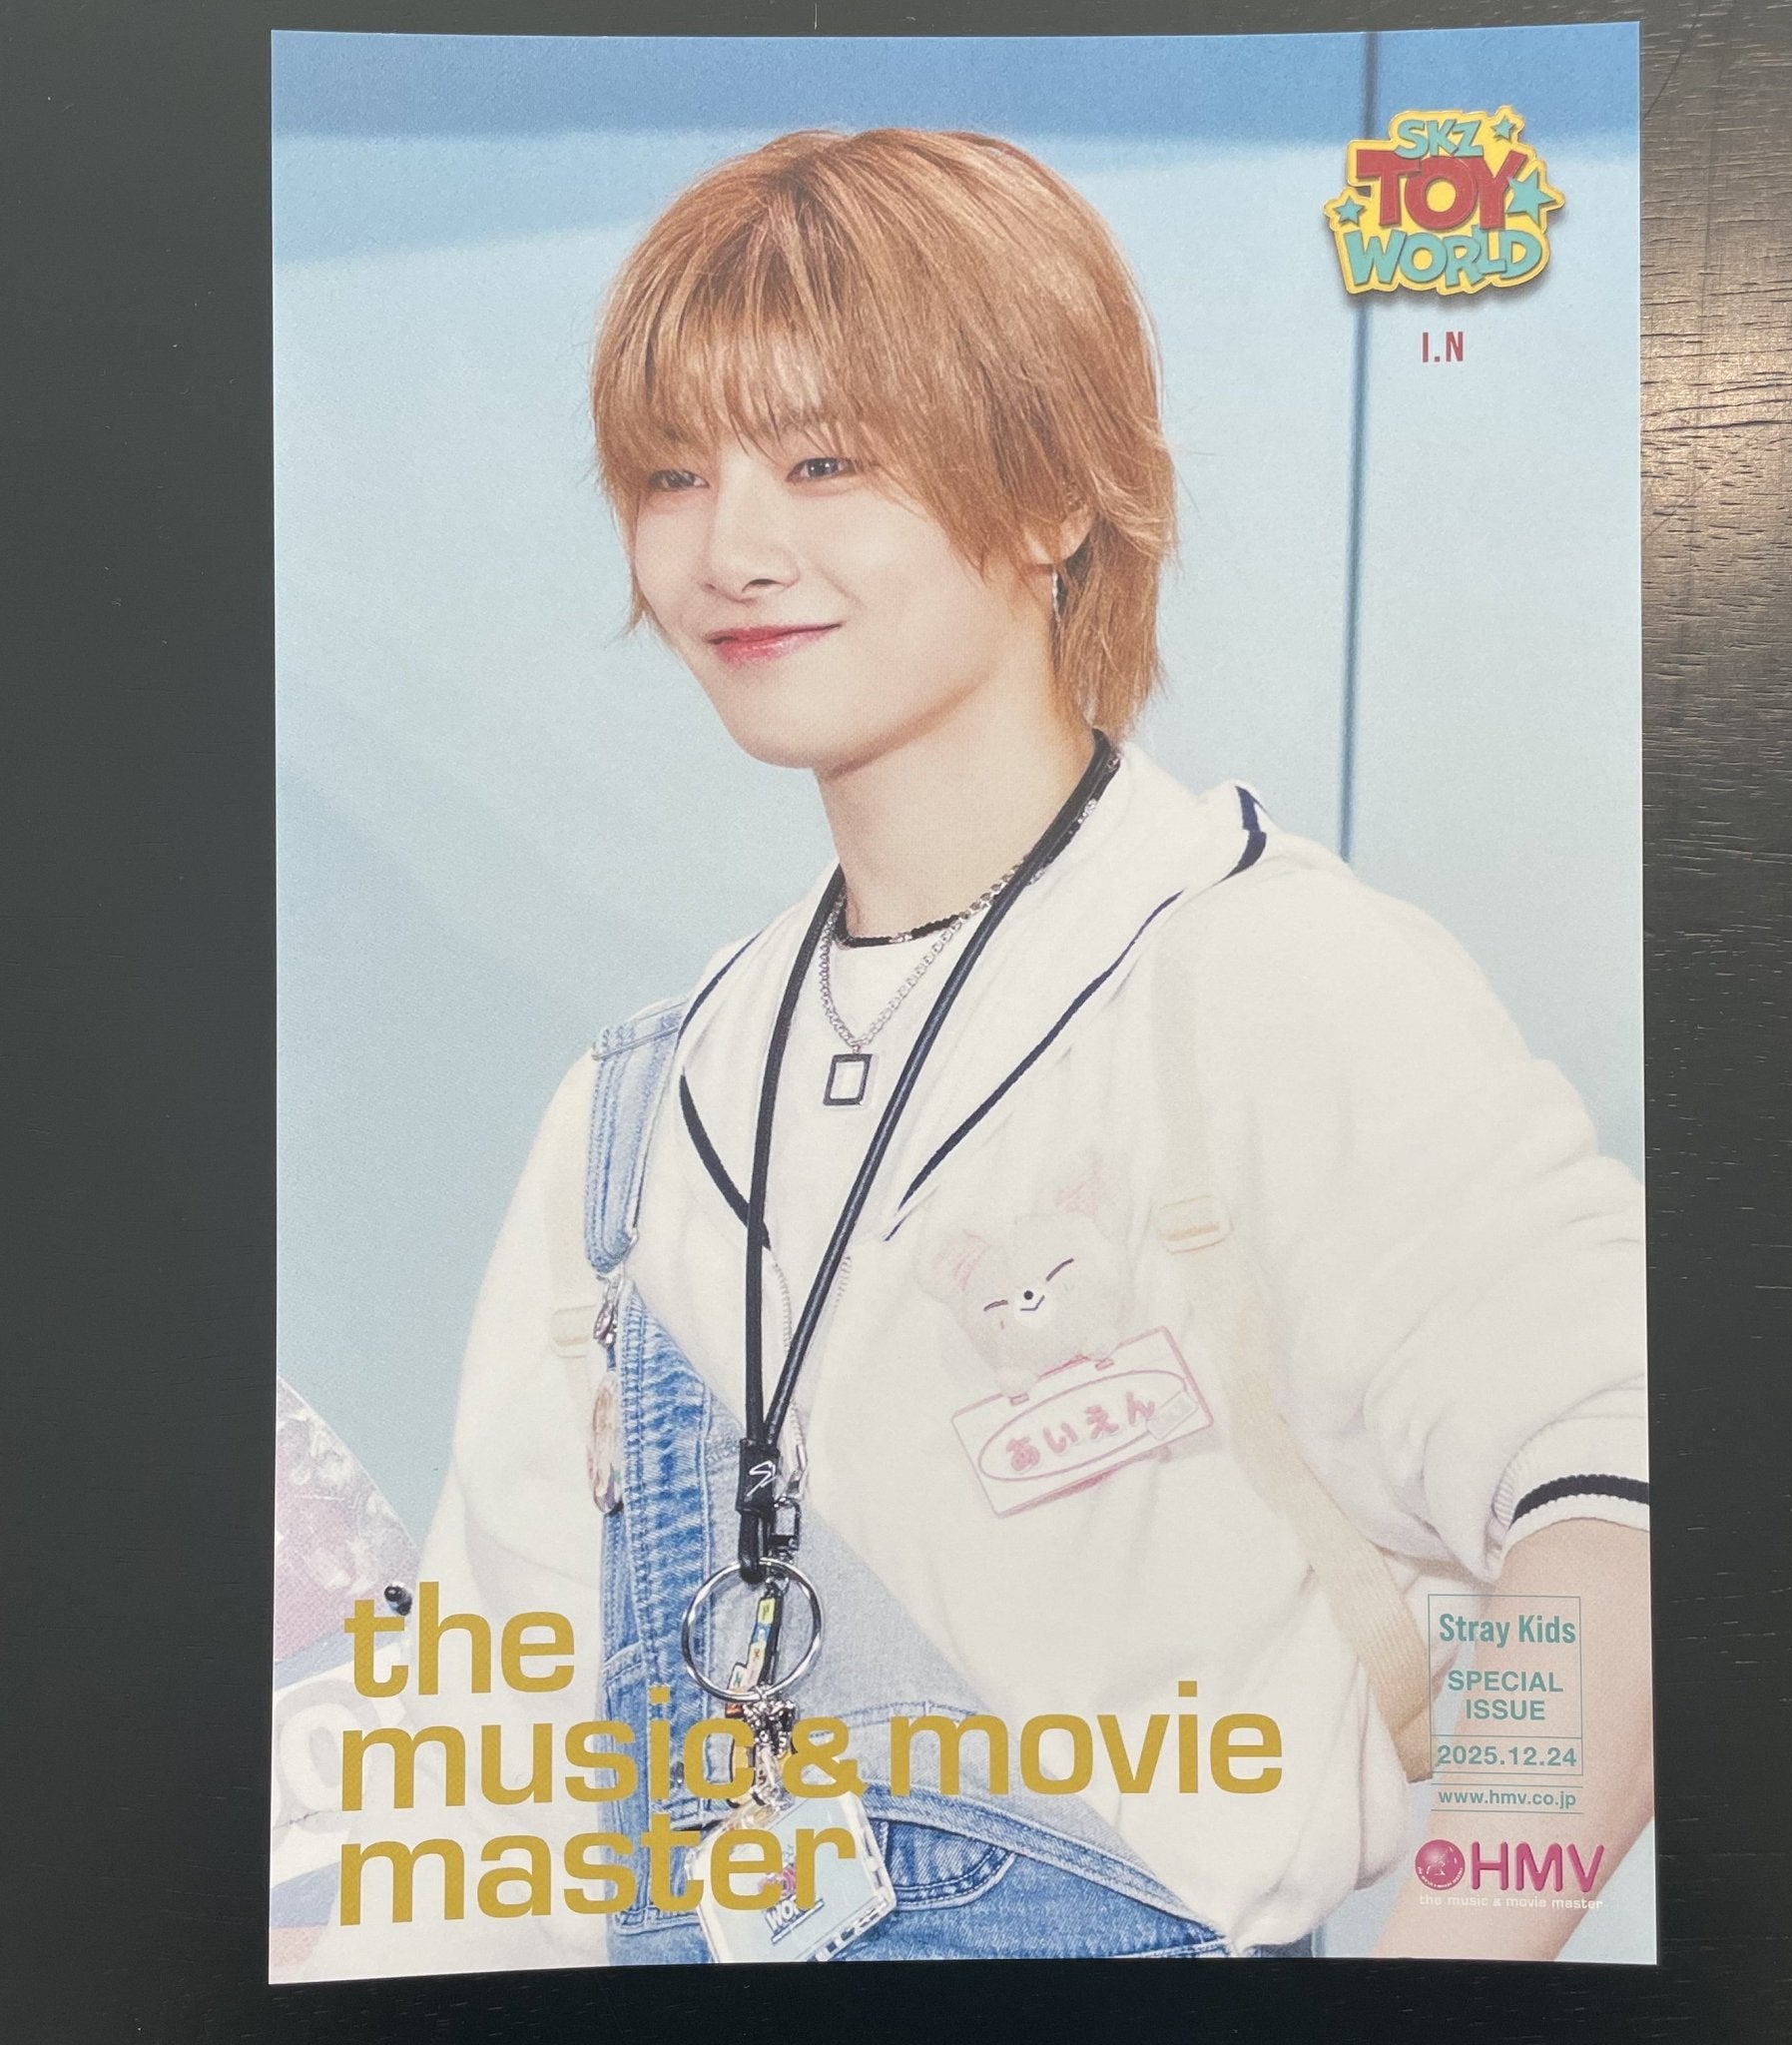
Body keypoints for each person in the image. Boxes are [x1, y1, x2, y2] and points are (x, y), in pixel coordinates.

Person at [321, 126, 1651, 1974]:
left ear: (1053, 496)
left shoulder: (1258, 974)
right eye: (673, 472)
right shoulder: (641, 1112)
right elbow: (482, 1774)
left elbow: (1612, 1524)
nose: (734, 548)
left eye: (824, 462)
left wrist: (1444, 1983)